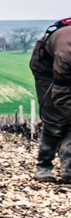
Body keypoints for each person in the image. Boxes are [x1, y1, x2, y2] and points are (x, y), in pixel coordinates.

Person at [29, 18, 71, 182]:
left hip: (64, 68)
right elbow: (60, 95)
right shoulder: (66, 55)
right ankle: (43, 166)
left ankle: (68, 169)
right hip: (47, 70)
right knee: (55, 118)